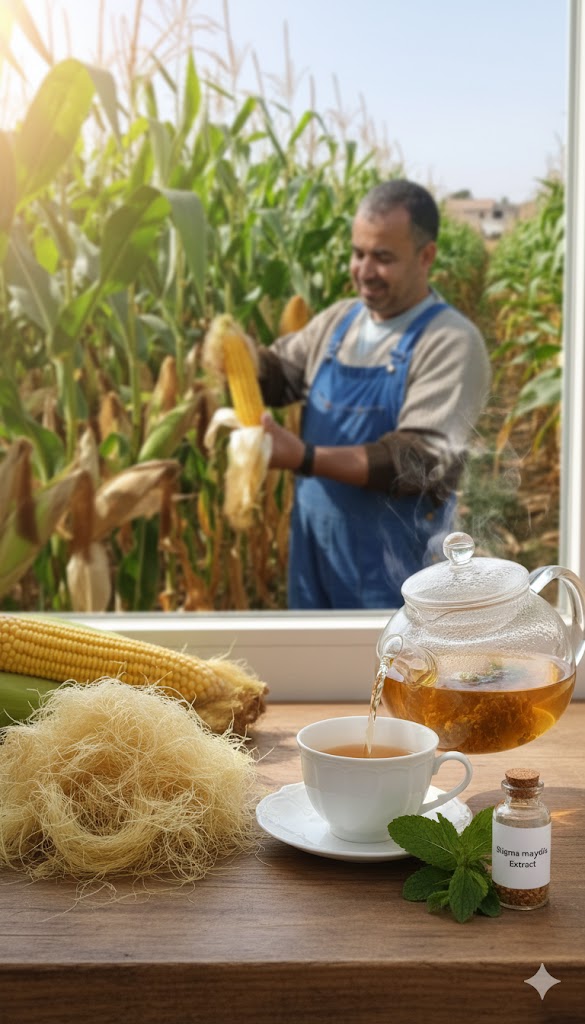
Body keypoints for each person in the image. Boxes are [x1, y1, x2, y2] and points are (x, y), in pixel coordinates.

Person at [257, 178, 491, 609]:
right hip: (313, 551)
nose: (364, 271)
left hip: (397, 566)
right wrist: (233, 355)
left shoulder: (451, 340)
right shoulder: (339, 321)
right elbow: (278, 377)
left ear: (426, 257)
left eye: (382, 257)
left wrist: (305, 457)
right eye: (358, 253)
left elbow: (416, 460)